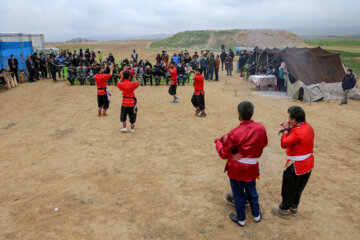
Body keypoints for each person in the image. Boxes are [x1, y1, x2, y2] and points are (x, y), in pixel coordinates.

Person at [215, 101, 268, 227]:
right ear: (252, 113)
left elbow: (224, 154)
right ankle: (256, 216)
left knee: (238, 193)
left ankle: (241, 220)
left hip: (237, 169)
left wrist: (218, 141)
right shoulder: (261, 127)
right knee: (252, 191)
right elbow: (264, 143)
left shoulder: (234, 133)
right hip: (252, 168)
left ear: (239, 115)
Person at [271, 106, 314, 219]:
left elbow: (284, 143)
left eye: (290, 118)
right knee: (299, 188)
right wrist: (290, 128)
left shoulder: (297, 132)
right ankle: (294, 207)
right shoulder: (308, 127)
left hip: (297, 166)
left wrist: (286, 130)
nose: (288, 120)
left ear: (294, 119)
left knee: (288, 188)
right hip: (308, 165)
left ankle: (285, 210)